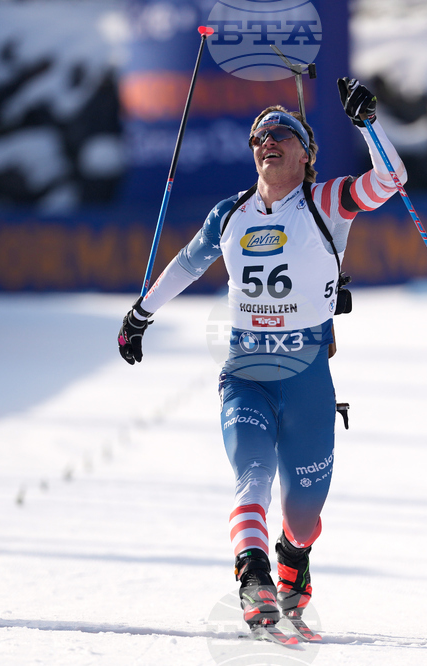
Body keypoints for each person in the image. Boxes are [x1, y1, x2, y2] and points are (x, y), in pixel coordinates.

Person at [117, 78, 407, 634]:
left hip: (307, 378)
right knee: (251, 477)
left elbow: (392, 179)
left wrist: (368, 123)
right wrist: (140, 315)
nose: (266, 140)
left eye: (280, 132)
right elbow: (186, 264)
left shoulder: (327, 203)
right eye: (258, 135)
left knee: (302, 515)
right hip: (245, 371)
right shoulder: (230, 214)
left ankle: (293, 557)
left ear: (305, 152)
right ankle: (253, 579)